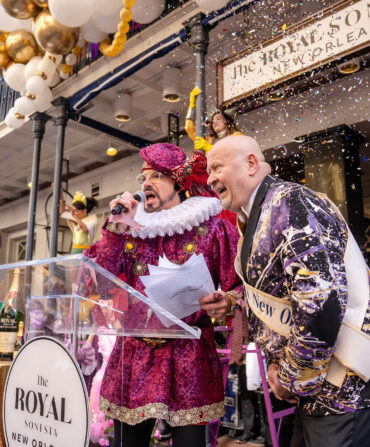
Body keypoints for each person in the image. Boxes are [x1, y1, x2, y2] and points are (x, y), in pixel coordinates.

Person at [206, 135, 370, 447]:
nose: (210, 178)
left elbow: (319, 301)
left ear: (252, 163)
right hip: (315, 388)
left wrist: (291, 377)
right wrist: (230, 302)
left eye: (217, 167)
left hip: (342, 387)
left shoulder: (291, 202)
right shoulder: (258, 216)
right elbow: (281, 293)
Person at [84, 143, 243, 447]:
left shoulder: (212, 227)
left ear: (178, 182)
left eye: (157, 175)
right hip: (134, 355)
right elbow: (101, 284)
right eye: (143, 176)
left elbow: (240, 285)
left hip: (188, 357)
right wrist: (116, 229)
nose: (146, 183)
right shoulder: (127, 229)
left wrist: (229, 301)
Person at [184, 86, 242, 153]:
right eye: (213, 121)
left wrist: (208, 147)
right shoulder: (209, 140)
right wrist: (192, 105)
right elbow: (189, 128)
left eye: (219, 118)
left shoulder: (237, 136)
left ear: (227, 121)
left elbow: (230, 153)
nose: (215, 122)